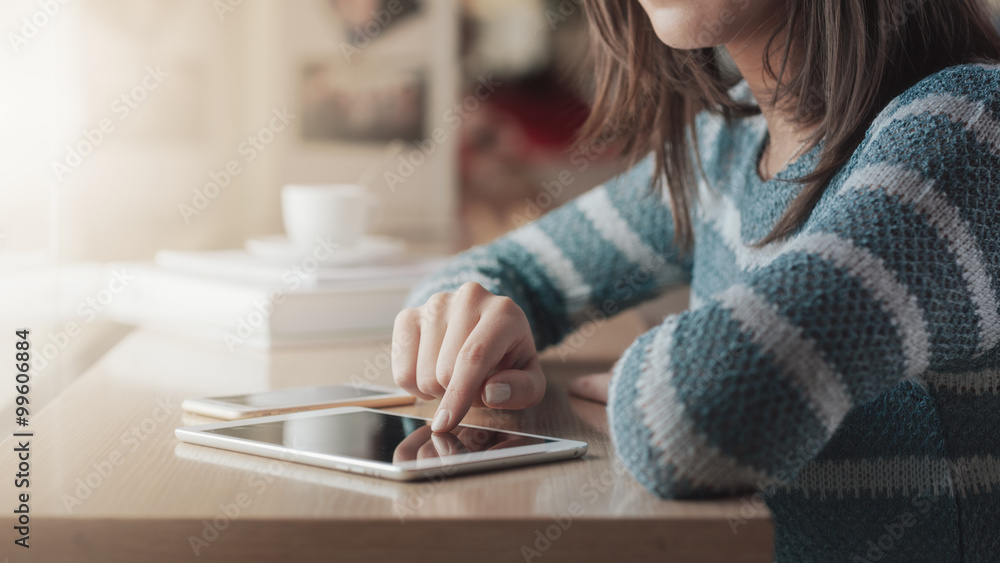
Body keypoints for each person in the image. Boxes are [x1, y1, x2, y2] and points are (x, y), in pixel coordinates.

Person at [391, 0, 1000, 560]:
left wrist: (650, 376)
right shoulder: (728, 144)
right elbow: (506, 270)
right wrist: (462, 323)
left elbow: (691, 415)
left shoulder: (970, 130)